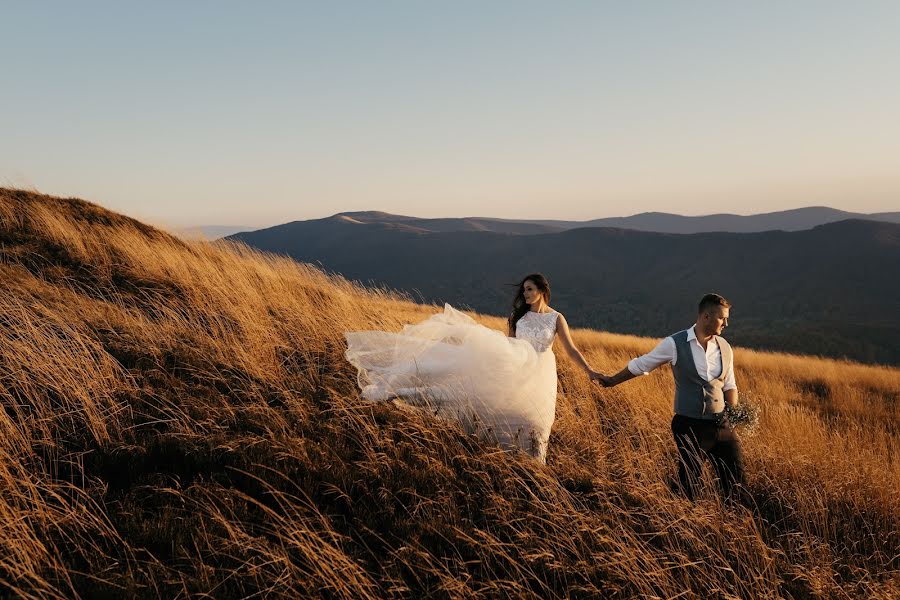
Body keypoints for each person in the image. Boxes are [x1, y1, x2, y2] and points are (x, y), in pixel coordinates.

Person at [344, 273, 597, 463]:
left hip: (541, 373)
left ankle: (535, 466)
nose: (526, 295)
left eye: (530, 290)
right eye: (524, 291)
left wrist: (590, 372)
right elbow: (510, 344)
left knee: (539, 422)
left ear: (543, 290)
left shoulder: (556, 318)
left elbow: (571, 350)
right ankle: (397, 392)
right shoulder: (518, 317)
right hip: (517, 366)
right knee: (469, 393)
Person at [596, 293, 745, 501]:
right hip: (689, 425)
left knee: (736, 480)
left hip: (722, 426)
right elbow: (642, 364)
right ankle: (684, 522)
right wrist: (612, 380)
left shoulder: (725, 347)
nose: (726, 323)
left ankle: (733, 525)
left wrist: (732, 414)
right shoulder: (675, 343)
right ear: (706, 317)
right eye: (722, 318)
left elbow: (730, 385)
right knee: (689, 483)